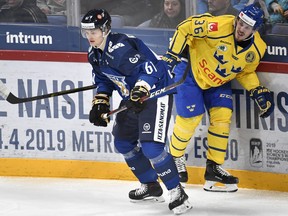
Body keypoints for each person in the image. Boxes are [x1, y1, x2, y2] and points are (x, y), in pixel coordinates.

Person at [81, 9, 192, 214]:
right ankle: (151, 185)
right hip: (133, 97)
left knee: (151, 148)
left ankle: (177, 191)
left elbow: (150, 69)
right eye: (86, 32)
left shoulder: (121, 48)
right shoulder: (94, 54)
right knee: (123, 142)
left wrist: (141, 90)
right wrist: (101, 102)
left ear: (105, 29)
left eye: (93, 32)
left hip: (155, 93)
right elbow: (104, 80)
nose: (89, 37)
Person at [162, 4, 274, 192]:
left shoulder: (257, 48)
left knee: (222, 116)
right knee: (191, 118)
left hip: (218, 80)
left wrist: (256, 90)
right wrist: (172, 54)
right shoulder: (219, 25)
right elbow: (185, 27)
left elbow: (245, 71)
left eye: (247, 26)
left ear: (255, 30)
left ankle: (213, 168)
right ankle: (174, 158)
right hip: (191, 71)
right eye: (240, 22)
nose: (240, 28)